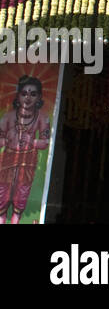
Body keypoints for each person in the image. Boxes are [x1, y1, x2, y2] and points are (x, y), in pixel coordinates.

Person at [0, 75, 51, 223]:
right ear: (18, 96)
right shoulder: (8, 116)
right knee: (2, 197)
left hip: (27, 162)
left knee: (20, 199)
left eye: (33, 94)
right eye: (24, 93)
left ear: (39, 97)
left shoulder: (42, 117)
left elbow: (45, 142)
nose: (28, 98)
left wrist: (31, 141)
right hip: (7, 162)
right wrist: (7, 139)